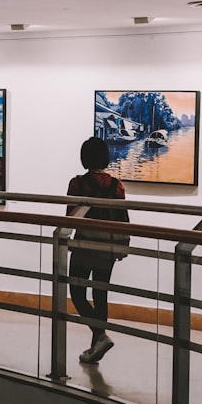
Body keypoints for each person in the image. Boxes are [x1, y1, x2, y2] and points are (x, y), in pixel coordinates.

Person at [67, 136, 128, 364]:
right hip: (108, 248)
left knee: (77, 292)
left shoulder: (77, 183)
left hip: (84, 245)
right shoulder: (117, 185)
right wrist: (123, 246)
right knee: (100, 295)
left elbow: (70, 217)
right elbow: (123, 219)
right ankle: (96, 347)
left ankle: (100, 336)